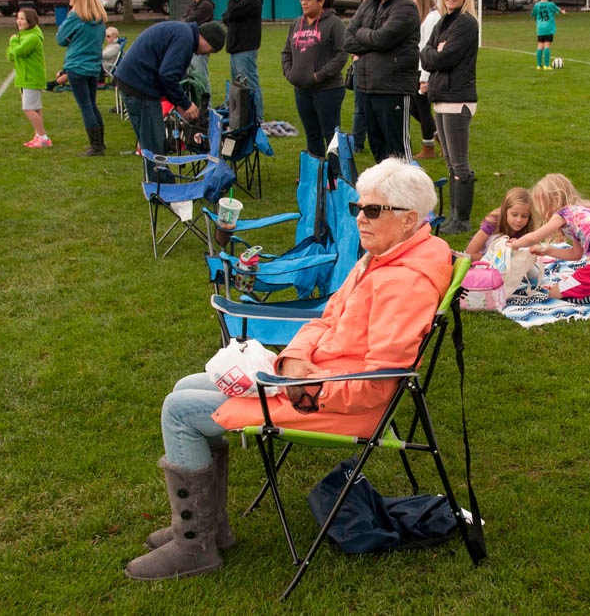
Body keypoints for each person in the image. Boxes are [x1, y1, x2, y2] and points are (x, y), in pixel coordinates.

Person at [124, 158, 453, 581]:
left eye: (373, 210)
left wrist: (300, 387)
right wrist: (294, 359)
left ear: (409, 219)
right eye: (357, 207)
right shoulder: (383, 258)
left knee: (179, 410)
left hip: (338, 402)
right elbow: (325, 319)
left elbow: (378, 385)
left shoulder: (404, 281)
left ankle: (194, 546)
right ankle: (212, 528)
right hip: (315, 380)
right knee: (186, 385)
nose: (359, 218)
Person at [114, 21, 226, 182]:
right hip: (140, 87)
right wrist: (185, 103)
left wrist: (178, 104)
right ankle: (161, 187)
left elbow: (166, 73)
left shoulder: (184, 33)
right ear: (207, 41)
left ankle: (159, 182)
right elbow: (167, 75)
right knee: (154, 143)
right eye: (211, 50)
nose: (206, 54)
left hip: (133, 82)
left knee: (151, 141)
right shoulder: (186, 39)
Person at [508, 174, 590, 309]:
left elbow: (534, 238)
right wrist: (547, 251)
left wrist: (514, 244)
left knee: (554, 293)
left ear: (555, 199)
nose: (541, 211)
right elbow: (576, 254)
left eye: (542, 205)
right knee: (571, 286)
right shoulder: (582, 212)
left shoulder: (563, 214)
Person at [344, 0, 420, 163]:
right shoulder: (368, 4)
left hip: (393, 89)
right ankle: (387, 186)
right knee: (379, 152)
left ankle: (407, 187)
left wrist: (363, 34)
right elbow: (347, 40)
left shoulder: (406, 7)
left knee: (399, 155)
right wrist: (374, 41)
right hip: (367, 88)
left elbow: (382, 39)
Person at [419, 0, 479, 235]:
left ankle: (462, 220)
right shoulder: (444, 21)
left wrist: (436, 53)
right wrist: (435, 53)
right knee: (451, 163)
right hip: (441, 98)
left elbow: (444, 59)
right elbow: (425, 56)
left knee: (459, 162)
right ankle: (453, 215)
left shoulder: (466, 23)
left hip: (457, 100)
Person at [281, 0, 348, 157]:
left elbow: (342, 55)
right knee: (312, 134)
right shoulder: (297, 23)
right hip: (302, 90)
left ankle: (335, 171)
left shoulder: (334, 23)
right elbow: (286, 52)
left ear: (321, 1)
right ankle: (316, 170)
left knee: (331, 136)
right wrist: (289, 74)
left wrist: (319, 76)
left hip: (327, 90)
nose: (304, 2)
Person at [57, 0, 108, 156]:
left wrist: (72, 39)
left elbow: (60, 38)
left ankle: (96, 146)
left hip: (77, 66)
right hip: (94, 66)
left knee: (86, 107)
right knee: (92, 104)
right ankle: (100, 143)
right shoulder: (99, 18)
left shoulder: (75, 17)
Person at [222, 0, 264, 122]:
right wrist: (232, 6)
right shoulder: (241, 0)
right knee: (238, 86)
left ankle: (258, 118)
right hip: (236, 49)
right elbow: (226, 17)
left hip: (245, 50)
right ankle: (242, 116)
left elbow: (231, 14)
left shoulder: (252, 0)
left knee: (250, 84)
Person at [6, 8, 49, 148]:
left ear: (30, 21)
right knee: (35, 108)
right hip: (24, 77)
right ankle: (39, 135)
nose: (19, 21)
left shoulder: (33, 37)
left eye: (22, 19)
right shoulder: (23, 36)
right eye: (18, 18)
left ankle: (43, 137)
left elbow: (19, 51)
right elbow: (11, 56)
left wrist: (13, 41)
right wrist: (14, 46)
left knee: (28, 108)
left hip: (32, 77)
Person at [408, 0, 439, 159]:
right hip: (418, 69)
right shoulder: (423, 18)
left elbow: (427, 49)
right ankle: (441, 136)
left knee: (422, 108)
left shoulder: (432, 19)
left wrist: (424, 78)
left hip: (424, 71)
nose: (410, 2)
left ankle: (428, 147)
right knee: (414, 107)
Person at [464, 187, 535, 259]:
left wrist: (519, 246)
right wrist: (495, 262)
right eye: (514, 215)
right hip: (484, 260)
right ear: (505, 211)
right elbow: (470, 253)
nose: (519, 220)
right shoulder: (493, 222)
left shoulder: (528, 227)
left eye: (524, 216)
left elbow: (532, 254)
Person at [350, 0, 375, 154]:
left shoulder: (382, 18)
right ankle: (357, 143)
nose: (366, 0)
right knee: (360, 107)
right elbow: (349, 41)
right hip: (359, 65)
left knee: (377, 107)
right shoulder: (357, 20)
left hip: (377, 67)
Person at [181, 0, 215, 94]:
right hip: (192, 46)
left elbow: (189, 21)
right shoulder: (194, 4)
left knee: (202, 78)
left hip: (200, 48)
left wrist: (185, 21)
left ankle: (206, 104)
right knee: (193, 78)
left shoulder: (206, 6)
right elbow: (184, 20)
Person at [532, 0, 566, 70]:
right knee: (547, 45)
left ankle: (539, 65)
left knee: (540, 46)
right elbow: (558, 10)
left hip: (540, 29)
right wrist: (562, 12)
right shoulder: (551, 5)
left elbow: (533, 15)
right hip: (548, 28)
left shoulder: (536, 5)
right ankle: (546, 65)